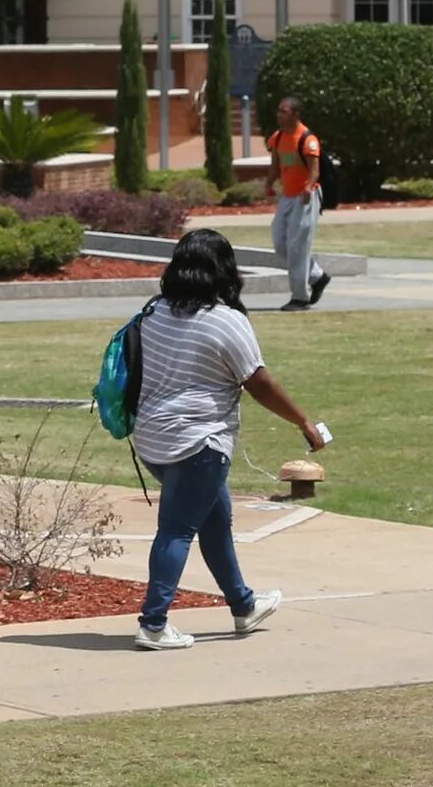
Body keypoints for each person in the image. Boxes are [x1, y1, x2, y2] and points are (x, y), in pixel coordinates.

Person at [131, 229, 326, 650]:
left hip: (152, 439)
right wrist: (303, 422)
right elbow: (259, 384)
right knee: (178, 531)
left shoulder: (154, 313)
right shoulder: (226, 321)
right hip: (199, 443)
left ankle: (243, 605)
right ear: (223, 270)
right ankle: (153, 623)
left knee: (215, 521)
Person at [263, 97, 330, 310]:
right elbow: (276, 164)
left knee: (298, 247)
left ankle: (299, 298)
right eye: (279, 111)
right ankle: (317, 276)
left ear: (295, 115)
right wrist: (269, 183)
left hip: (305, 198)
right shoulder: (278, 137)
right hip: (288, 197)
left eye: (284, 111)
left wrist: (309, 188)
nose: (279, 115)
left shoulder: (308, 139)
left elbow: (314, 170)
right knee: (280, 243)